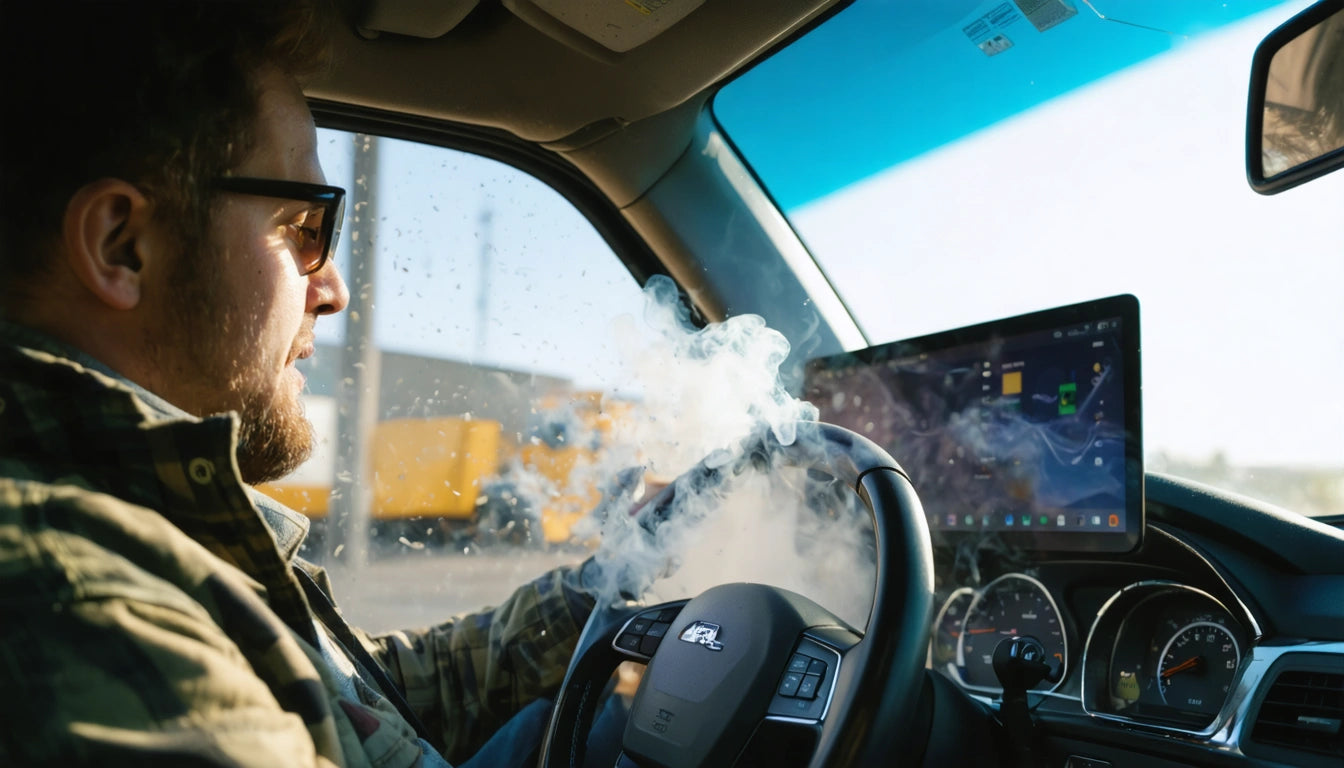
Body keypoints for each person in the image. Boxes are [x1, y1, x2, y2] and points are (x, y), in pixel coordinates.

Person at [0, 2, 626, 765]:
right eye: (302, 225)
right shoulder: (84, 610)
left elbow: (377, 696)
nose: (332, 290)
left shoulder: (147, 524)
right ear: (123, 246)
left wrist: (616, 577)